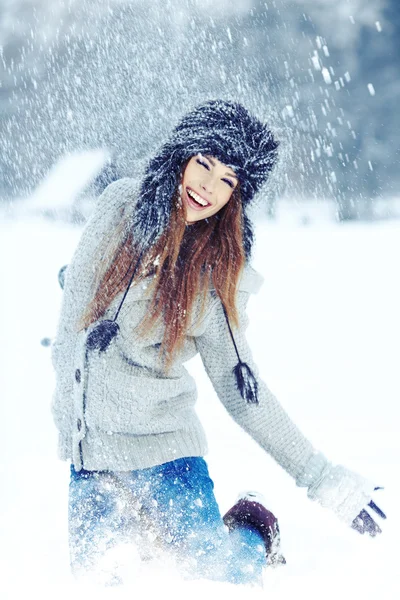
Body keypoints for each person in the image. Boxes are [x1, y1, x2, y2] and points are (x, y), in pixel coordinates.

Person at [51, 100, 386, 587]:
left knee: (217, 577)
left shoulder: (212, 273)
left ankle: (254, 524)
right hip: (90, 459)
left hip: (165, 456)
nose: (207, 188)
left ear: (237, 196)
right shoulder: (118, 207)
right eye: (204, 164)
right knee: (96, 585)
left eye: (227, 180)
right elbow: (79, 307)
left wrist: (324, 479)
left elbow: (241, 387)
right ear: (179, 157)